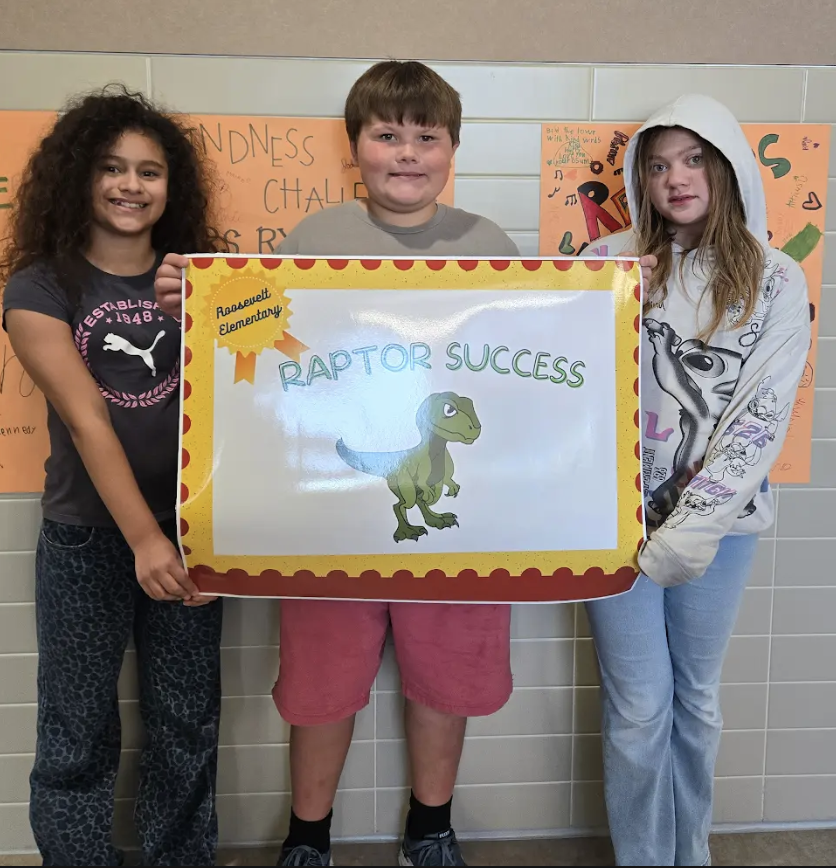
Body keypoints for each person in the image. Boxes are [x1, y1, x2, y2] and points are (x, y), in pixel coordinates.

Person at [154, 61, 656, 868]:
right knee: (320, 689)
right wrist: (199, 303)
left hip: (462, 531)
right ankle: (307, 838)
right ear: (356, 145)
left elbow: (534, 375)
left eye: (427, 137)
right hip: (326, 521)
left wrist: (628, 304)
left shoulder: (489, 245)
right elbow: (259, 368)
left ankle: (432, 830)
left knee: (448, 680)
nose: (407, 153)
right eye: (388, 134)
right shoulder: (311, 241)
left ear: (453, 148)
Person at [0, 86, 226, 867]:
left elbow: (266, 395)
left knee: (187, 719)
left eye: (150, 171)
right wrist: (143, 539)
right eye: (112, 168)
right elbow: (89, 421)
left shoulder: (209, 282)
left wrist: (210, 306)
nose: (131, 185)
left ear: (173, 187)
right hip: (90, 538)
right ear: (80, 178)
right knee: (77, 724)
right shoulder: (41, 286)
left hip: (194, 534)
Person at [582, 94, 811, 866]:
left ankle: (692, 855)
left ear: (727, 167)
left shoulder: (776, 280)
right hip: (614, 526)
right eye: (656, 164)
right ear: (638, 179)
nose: (674, 178)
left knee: (696, 703)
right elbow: (562, 386)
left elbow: (761, 415)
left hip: (721, 531)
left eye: (692, 159)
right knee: (639, 708)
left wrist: (695, 528)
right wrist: (612, 299)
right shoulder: (609, 262)